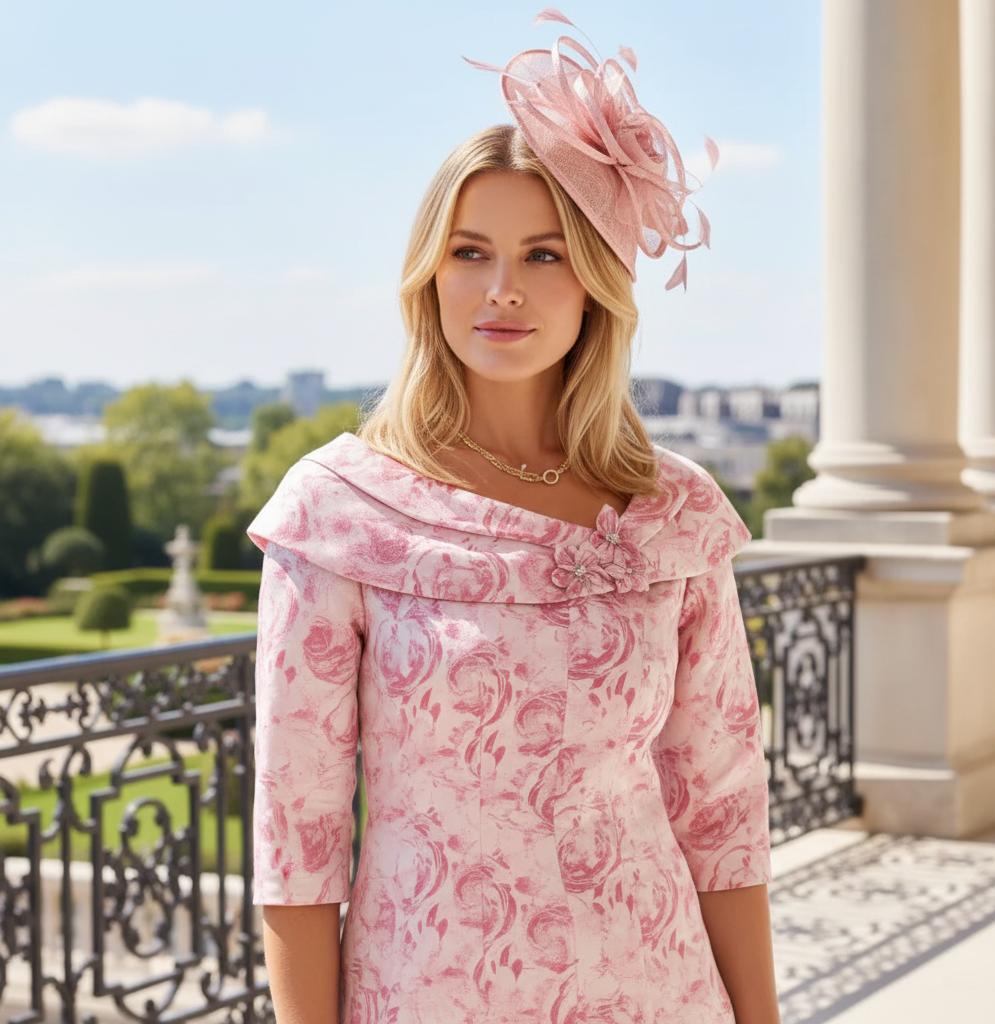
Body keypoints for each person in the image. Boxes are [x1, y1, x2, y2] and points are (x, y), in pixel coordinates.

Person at [246, 9, 780, 1023]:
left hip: (662, 993)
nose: (500, 291)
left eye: (543, 255)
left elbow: (719, 814)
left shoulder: (675, 514)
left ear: (595, 281)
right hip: (430, 996)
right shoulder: (340, 512)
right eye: (468, 252)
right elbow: (298, 845)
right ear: (427, 276)